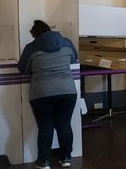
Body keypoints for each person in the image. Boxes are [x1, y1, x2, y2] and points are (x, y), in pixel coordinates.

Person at [18, 20, 78, 169]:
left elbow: (23, 69)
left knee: (45, 126)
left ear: (35, 34)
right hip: (67, 91)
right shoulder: (66, 42)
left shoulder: (31, 48)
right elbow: (73, 58)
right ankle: (66, 158)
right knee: (64, 124)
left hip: (41, 93)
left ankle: (43, 162)